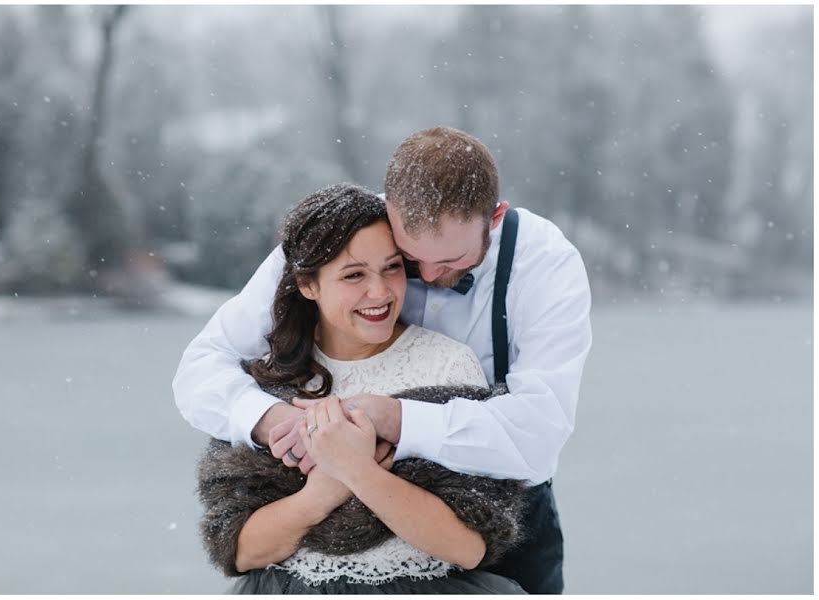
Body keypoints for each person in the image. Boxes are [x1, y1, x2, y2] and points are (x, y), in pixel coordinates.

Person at [174, 126, 593, 593]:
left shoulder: (546, 264)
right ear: (390, 208)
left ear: (494, 217)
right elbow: (202, 366)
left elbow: (538, 434)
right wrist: (274, 420)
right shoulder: (344, 234)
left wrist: (391, 421)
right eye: (409, 261)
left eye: (452, 261)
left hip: (500, 506)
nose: (430, 277)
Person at [197, 183, 527, 593]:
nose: (380, 292)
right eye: (354, 275)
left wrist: (358, 471)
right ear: (308, 285)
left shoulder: (446, 365)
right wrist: (322, 492)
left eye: (392, 268)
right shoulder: (267, 384)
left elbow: (468, 545)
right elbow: (239, 550)